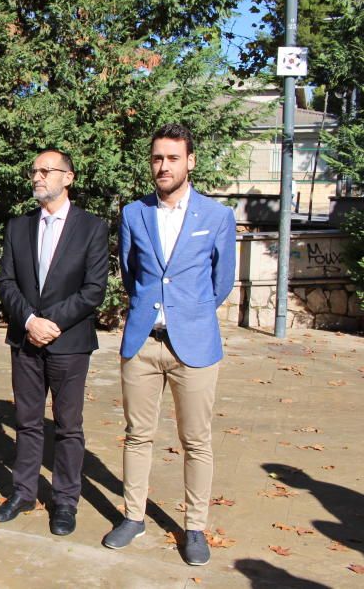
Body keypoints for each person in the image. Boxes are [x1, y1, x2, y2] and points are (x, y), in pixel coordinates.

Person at [102, 124, 236, 566]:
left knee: (196, 440)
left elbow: (221, 283)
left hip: (193, 345)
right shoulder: (133, 213)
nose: (164, 166)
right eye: (158, 158)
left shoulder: (217, 217)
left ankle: (194, 527)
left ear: (190, 161)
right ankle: (133, 516)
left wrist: (188, 314)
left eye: (173, 158)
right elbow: (129, 273)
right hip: (142, 343)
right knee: (137, 435)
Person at [0, 149, 108, 535]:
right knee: (26, 422)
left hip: (69, 342)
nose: (37, 177)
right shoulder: (18, 226)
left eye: (46, 170)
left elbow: (93, 290)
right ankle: (23, 493)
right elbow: (6, 282)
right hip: (25, 340)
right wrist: (28, 320)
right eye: (34, 170)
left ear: (68, 178)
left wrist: (49, 323)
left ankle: (65, 502)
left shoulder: (92, 227)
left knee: (68, 426)